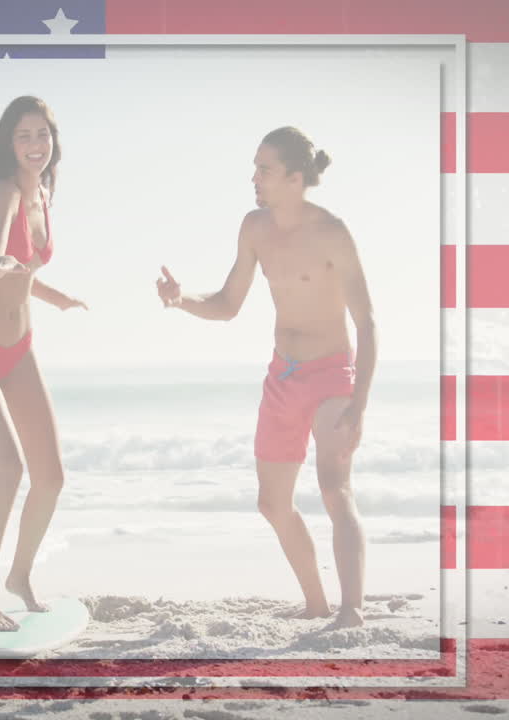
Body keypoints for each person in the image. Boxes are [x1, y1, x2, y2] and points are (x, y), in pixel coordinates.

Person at [156, 127, 376, 628]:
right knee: (272, 503)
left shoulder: (332, 233)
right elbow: (228, 305)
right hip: (283, 376)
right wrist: (181, 299)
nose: (253, 177)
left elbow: (367, 323)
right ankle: (316, 604)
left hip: (332, 377)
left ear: (296, 178)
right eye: (255, 167)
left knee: (333, 487)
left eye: (265, 169)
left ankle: (352, 610)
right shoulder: (254, 228)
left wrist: (359, 403)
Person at [0, 96, 87, 631]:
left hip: (18, 350)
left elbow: (24, 269)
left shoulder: (44, 194)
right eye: (24, 136)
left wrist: (57, 297)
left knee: (50, 477)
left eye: (43, 135)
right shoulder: (4, 191)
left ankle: (19, 577)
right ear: (10, 143)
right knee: (8, 469)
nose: (35, 146)